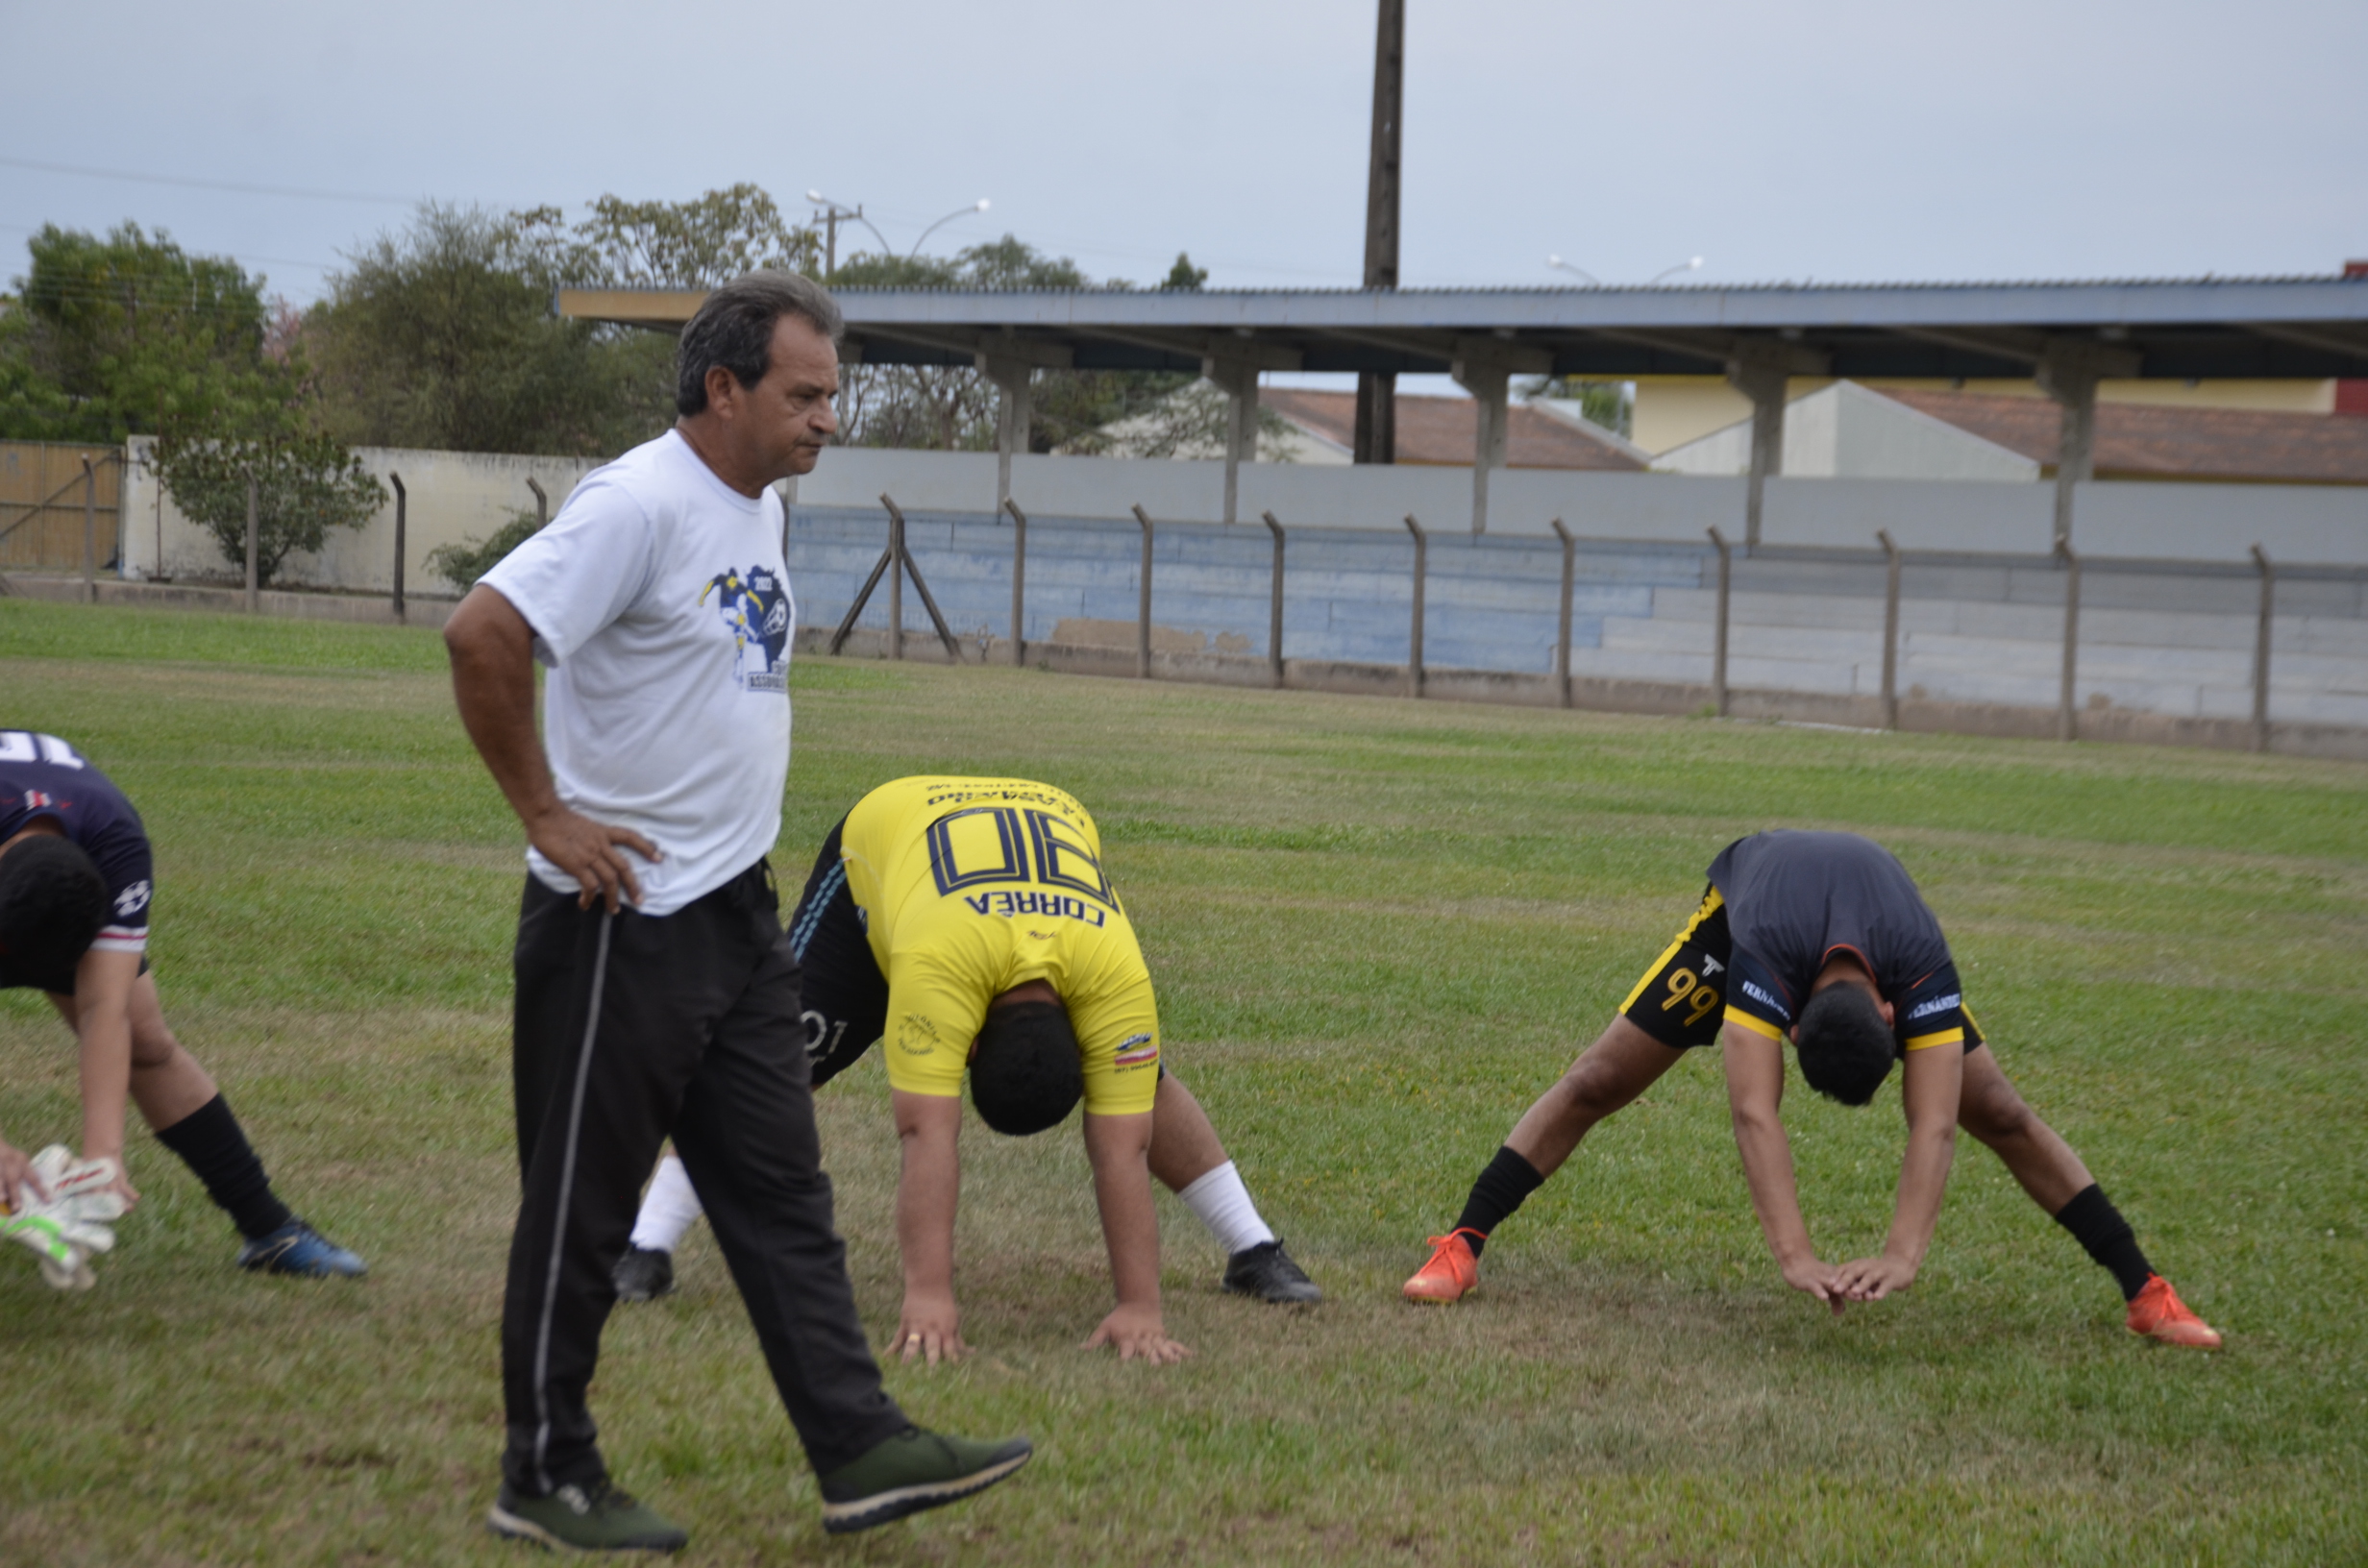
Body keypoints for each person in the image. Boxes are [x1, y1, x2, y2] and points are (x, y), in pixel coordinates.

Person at [442, 272, 1028, 1555]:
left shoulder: (750, 506)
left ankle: (859, 1443)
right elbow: (484, 631)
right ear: (724, 388)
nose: (829, 420)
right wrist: (547, 813)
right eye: (806, 394)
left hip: (734, 919)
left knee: (779, 1191)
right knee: (583, 1209)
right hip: (618, 924)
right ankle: (544, 1471)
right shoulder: (639, 503)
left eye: (833, 395)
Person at [1401, 830, 2220, 1350]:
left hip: (1873, 921)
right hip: (1746, 910)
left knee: (2002, 1111)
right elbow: (1754, 1111)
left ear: (1898, 1018)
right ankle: (1461, 1246)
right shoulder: (1758, 966)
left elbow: (1935, 1125)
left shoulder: (1922, 963)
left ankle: (2147, 1292)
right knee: (1597, 1079)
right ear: (1787, 1026)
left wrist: (1904, 1255)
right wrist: (1795, 1256)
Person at [612, 774, 1321, 1360]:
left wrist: (1142, 1308)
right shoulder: (939, 970)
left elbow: (1124, 1139)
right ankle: (647, 1244)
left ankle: (1252, 1247)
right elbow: (928, 1132)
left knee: (1141, 1081)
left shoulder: (1114, 977)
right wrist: (927, 1294)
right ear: (969, 1045)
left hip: (1030, 853)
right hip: (885, 843)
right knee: (775, 1063)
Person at [0, 729, 366, 1279]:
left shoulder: (115, 844)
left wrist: (105, 1155)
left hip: (61, 851)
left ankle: (269, 1230)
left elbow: (106, 1008)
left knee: (145, 1039)